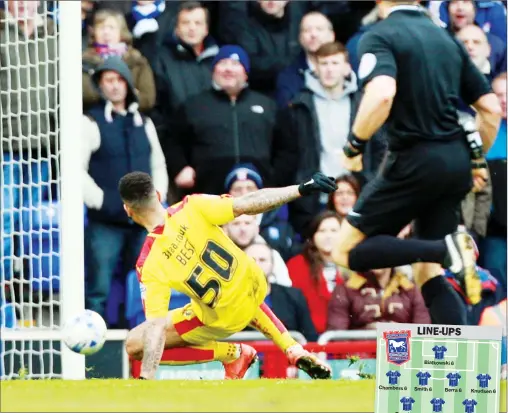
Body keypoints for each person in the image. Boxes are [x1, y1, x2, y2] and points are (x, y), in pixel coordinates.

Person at [331, 1, 502, 325]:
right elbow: (491, 108)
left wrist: (354, 145)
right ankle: (457, 362)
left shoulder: (379, 35)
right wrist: (474, 160)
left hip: (412, 162)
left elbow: (382, 93)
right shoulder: (446, 39)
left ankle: (446, 249)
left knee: (344, 251)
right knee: (427, 274)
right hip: (454, 164)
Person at [118, 170, 337, 380]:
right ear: (157, 195)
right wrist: (300, 189)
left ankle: (232, 354)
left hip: (222, 317)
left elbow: (155, 327)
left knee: (135, 344)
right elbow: (249, 203)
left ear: (127, 210)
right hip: (254, 284)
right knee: (233, 292)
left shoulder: (149, 262)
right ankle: (292, 348)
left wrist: (146, 377)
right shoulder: (192, 206)